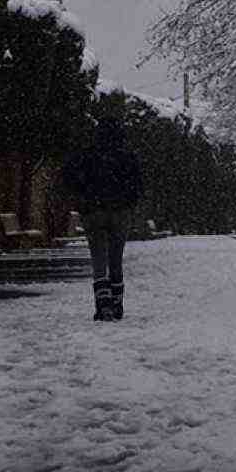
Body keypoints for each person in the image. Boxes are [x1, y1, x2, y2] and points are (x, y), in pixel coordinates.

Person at [62, 114, 143, 321]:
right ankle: (117, 304)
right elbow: (137, 185)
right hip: (120, 212)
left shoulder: (88, 155)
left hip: (94, 212)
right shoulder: (128, 156)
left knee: (99, 259)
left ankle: (103, 304)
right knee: (116, 258)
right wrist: (128, 202)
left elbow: (72, 178)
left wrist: (85, 200)